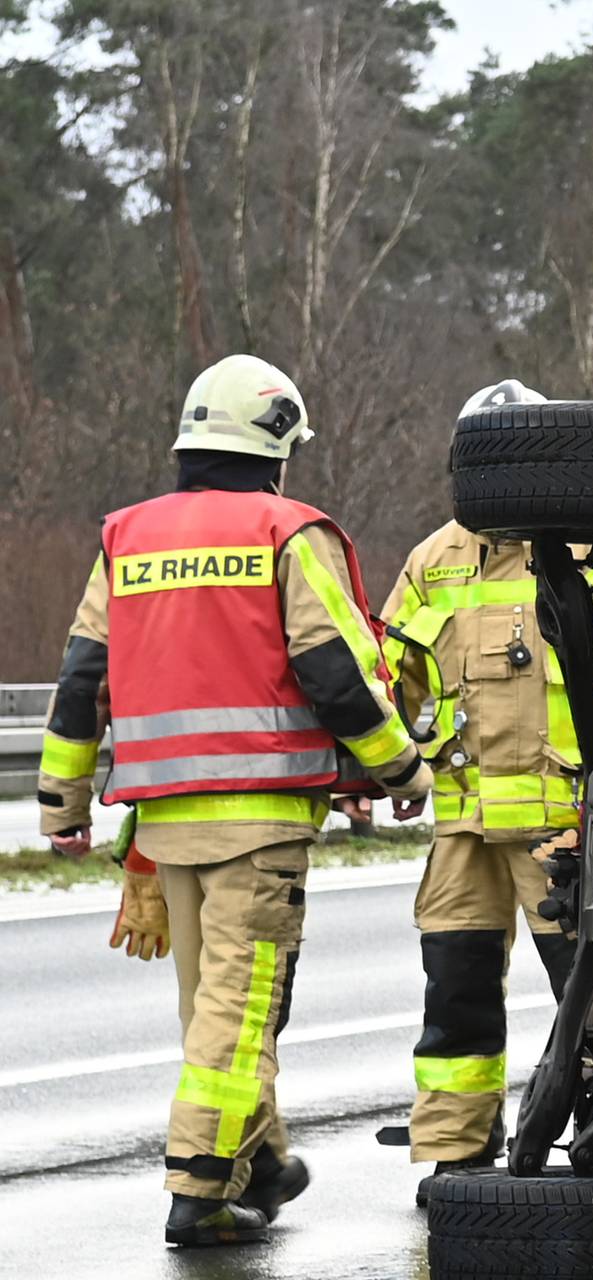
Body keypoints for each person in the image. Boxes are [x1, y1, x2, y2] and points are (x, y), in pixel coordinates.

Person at [33, 355, 433, 1245]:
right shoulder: (288, 532)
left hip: (164, 821)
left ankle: (262, 1161)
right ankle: (201, 1192)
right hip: (258, 819)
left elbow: (80, 678)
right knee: (242, 1010)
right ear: (278, 444)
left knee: (211, 1009)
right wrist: (404, 772)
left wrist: (62, 800)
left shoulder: (127, 538)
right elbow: (336, 673)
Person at [378, 379, 586, 1185]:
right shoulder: (432, 559)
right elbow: (392, 674)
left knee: (587, 999)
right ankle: (456, 1152)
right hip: (462, 833)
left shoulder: (586, 555)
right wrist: (394, 759)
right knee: (455, 996)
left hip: (563, 827)